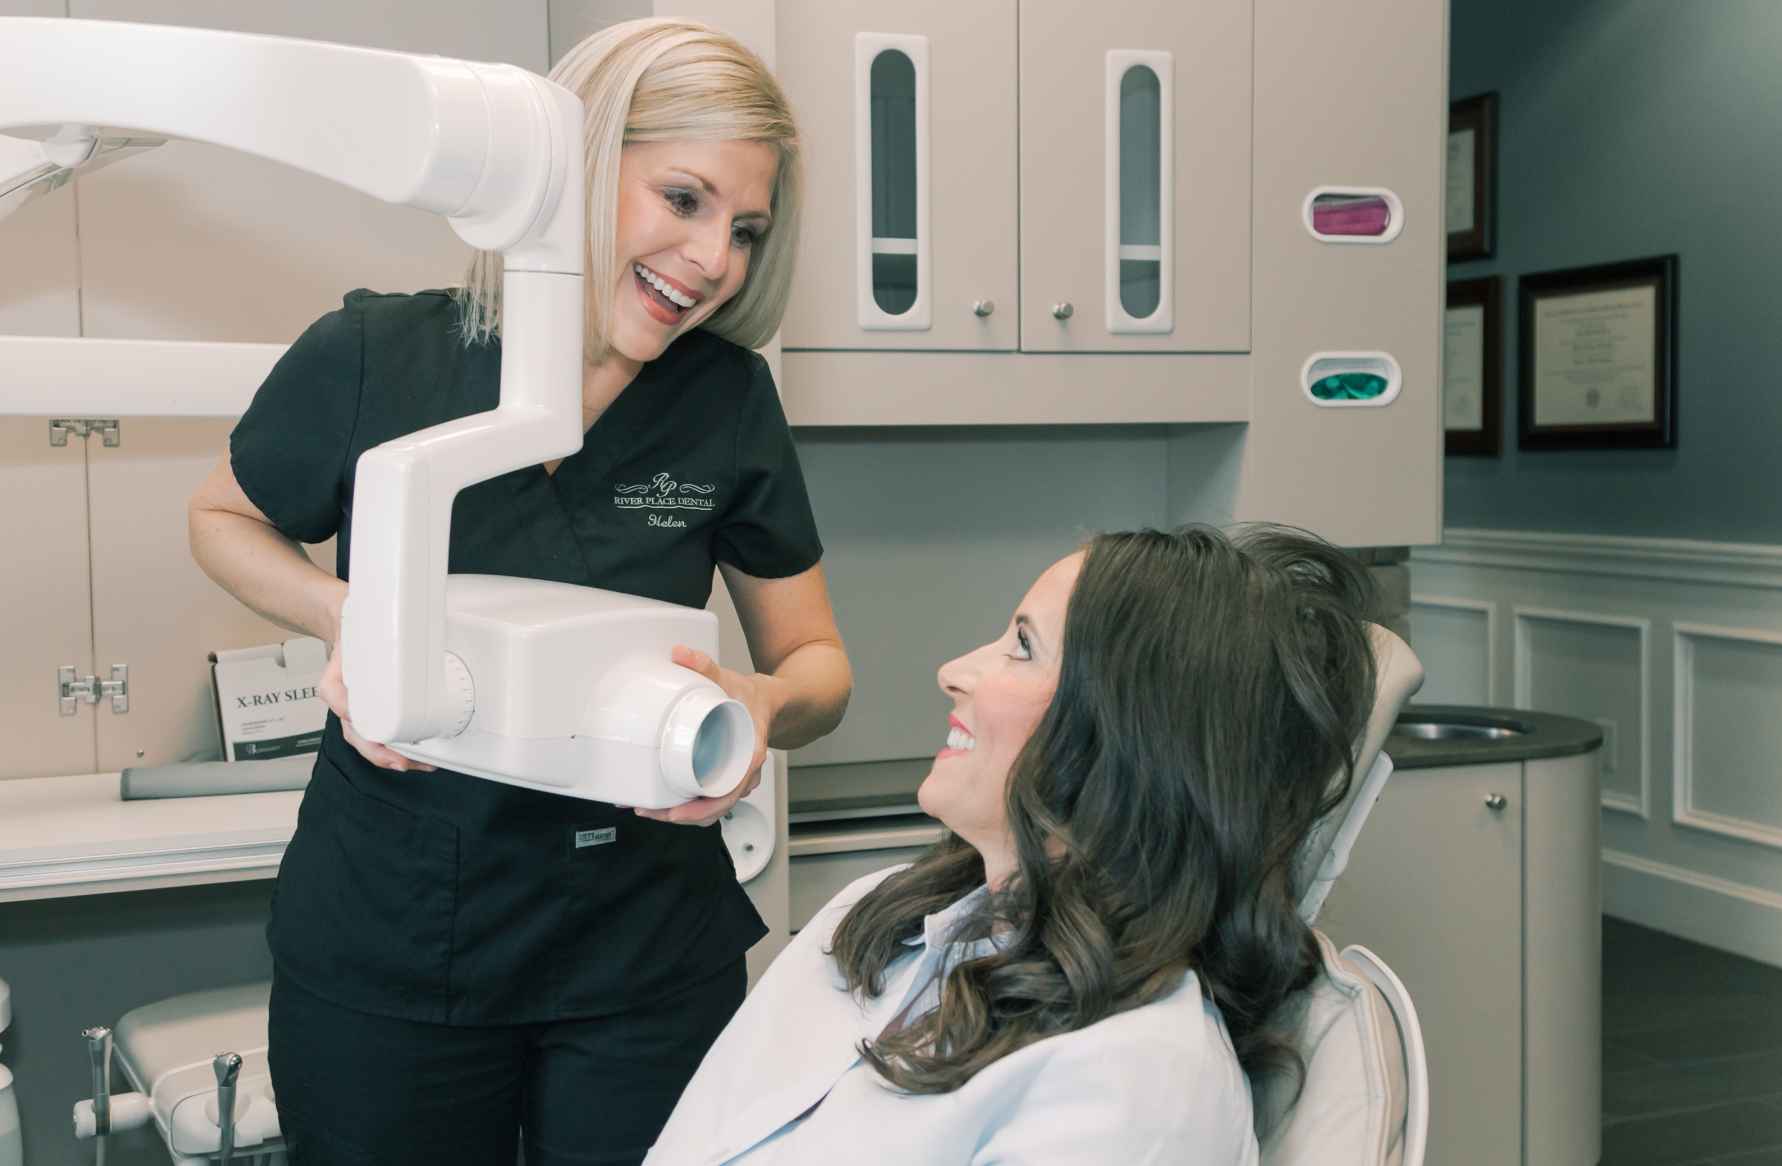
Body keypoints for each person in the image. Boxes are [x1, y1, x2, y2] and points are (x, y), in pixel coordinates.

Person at [186, 19, 851, 1166]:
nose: (713, 261)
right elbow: (221, 519)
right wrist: (353, 617)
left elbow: (820, 667)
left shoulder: (726, 402)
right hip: (395, 936)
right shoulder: (375, 354)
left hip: (641, 949)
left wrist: (756, 710)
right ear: (574, 168)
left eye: (744, 229)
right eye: (683, 198)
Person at [645, 524, 1378, 1165]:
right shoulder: (876, 918)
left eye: (1022, 648)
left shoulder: (1138, 1081)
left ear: (1131, 738)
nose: (955, 671)